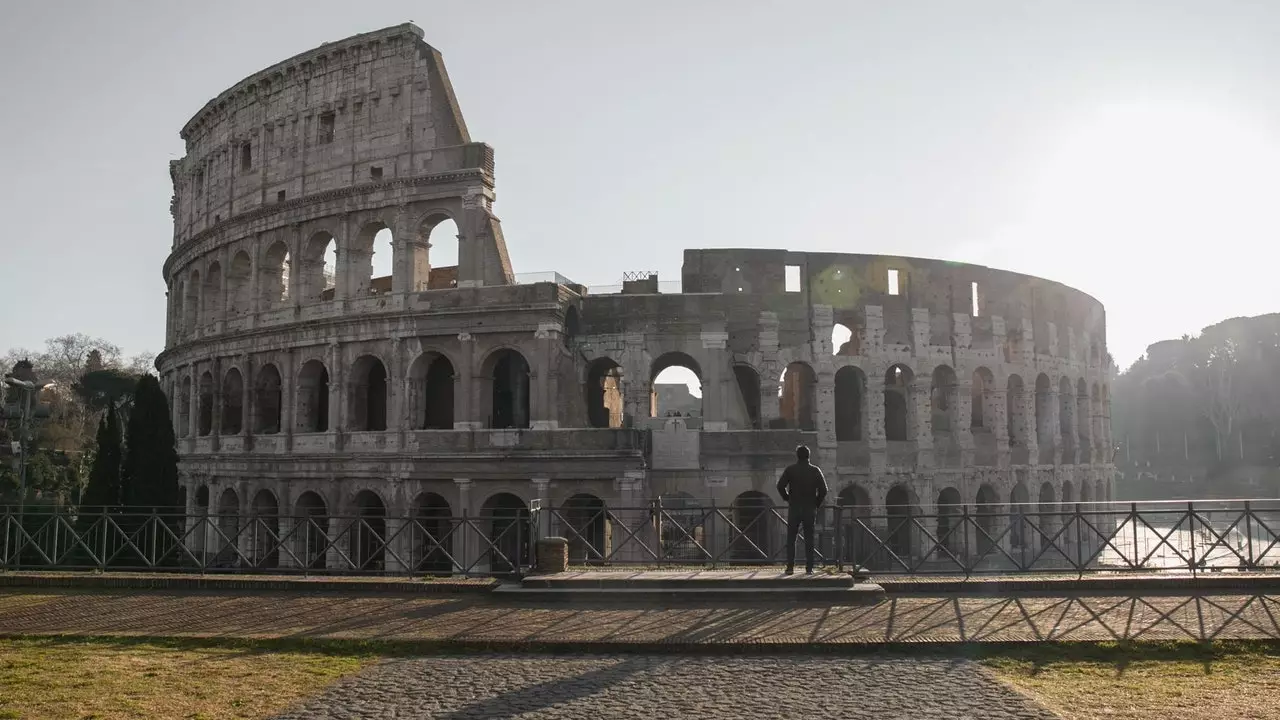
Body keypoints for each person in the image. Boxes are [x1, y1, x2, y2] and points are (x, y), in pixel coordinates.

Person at [775, 444, 828, 575]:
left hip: (794, 507)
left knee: (791, 538)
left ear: (797, 456)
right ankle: (809, 567)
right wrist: (816, 503)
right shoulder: (815, 470)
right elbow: (824, 490)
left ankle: (790, 567)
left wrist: (787, 498)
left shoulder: (790, 470)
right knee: (809, 538)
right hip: (809, 508)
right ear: (809, 456)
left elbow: (780, 486)